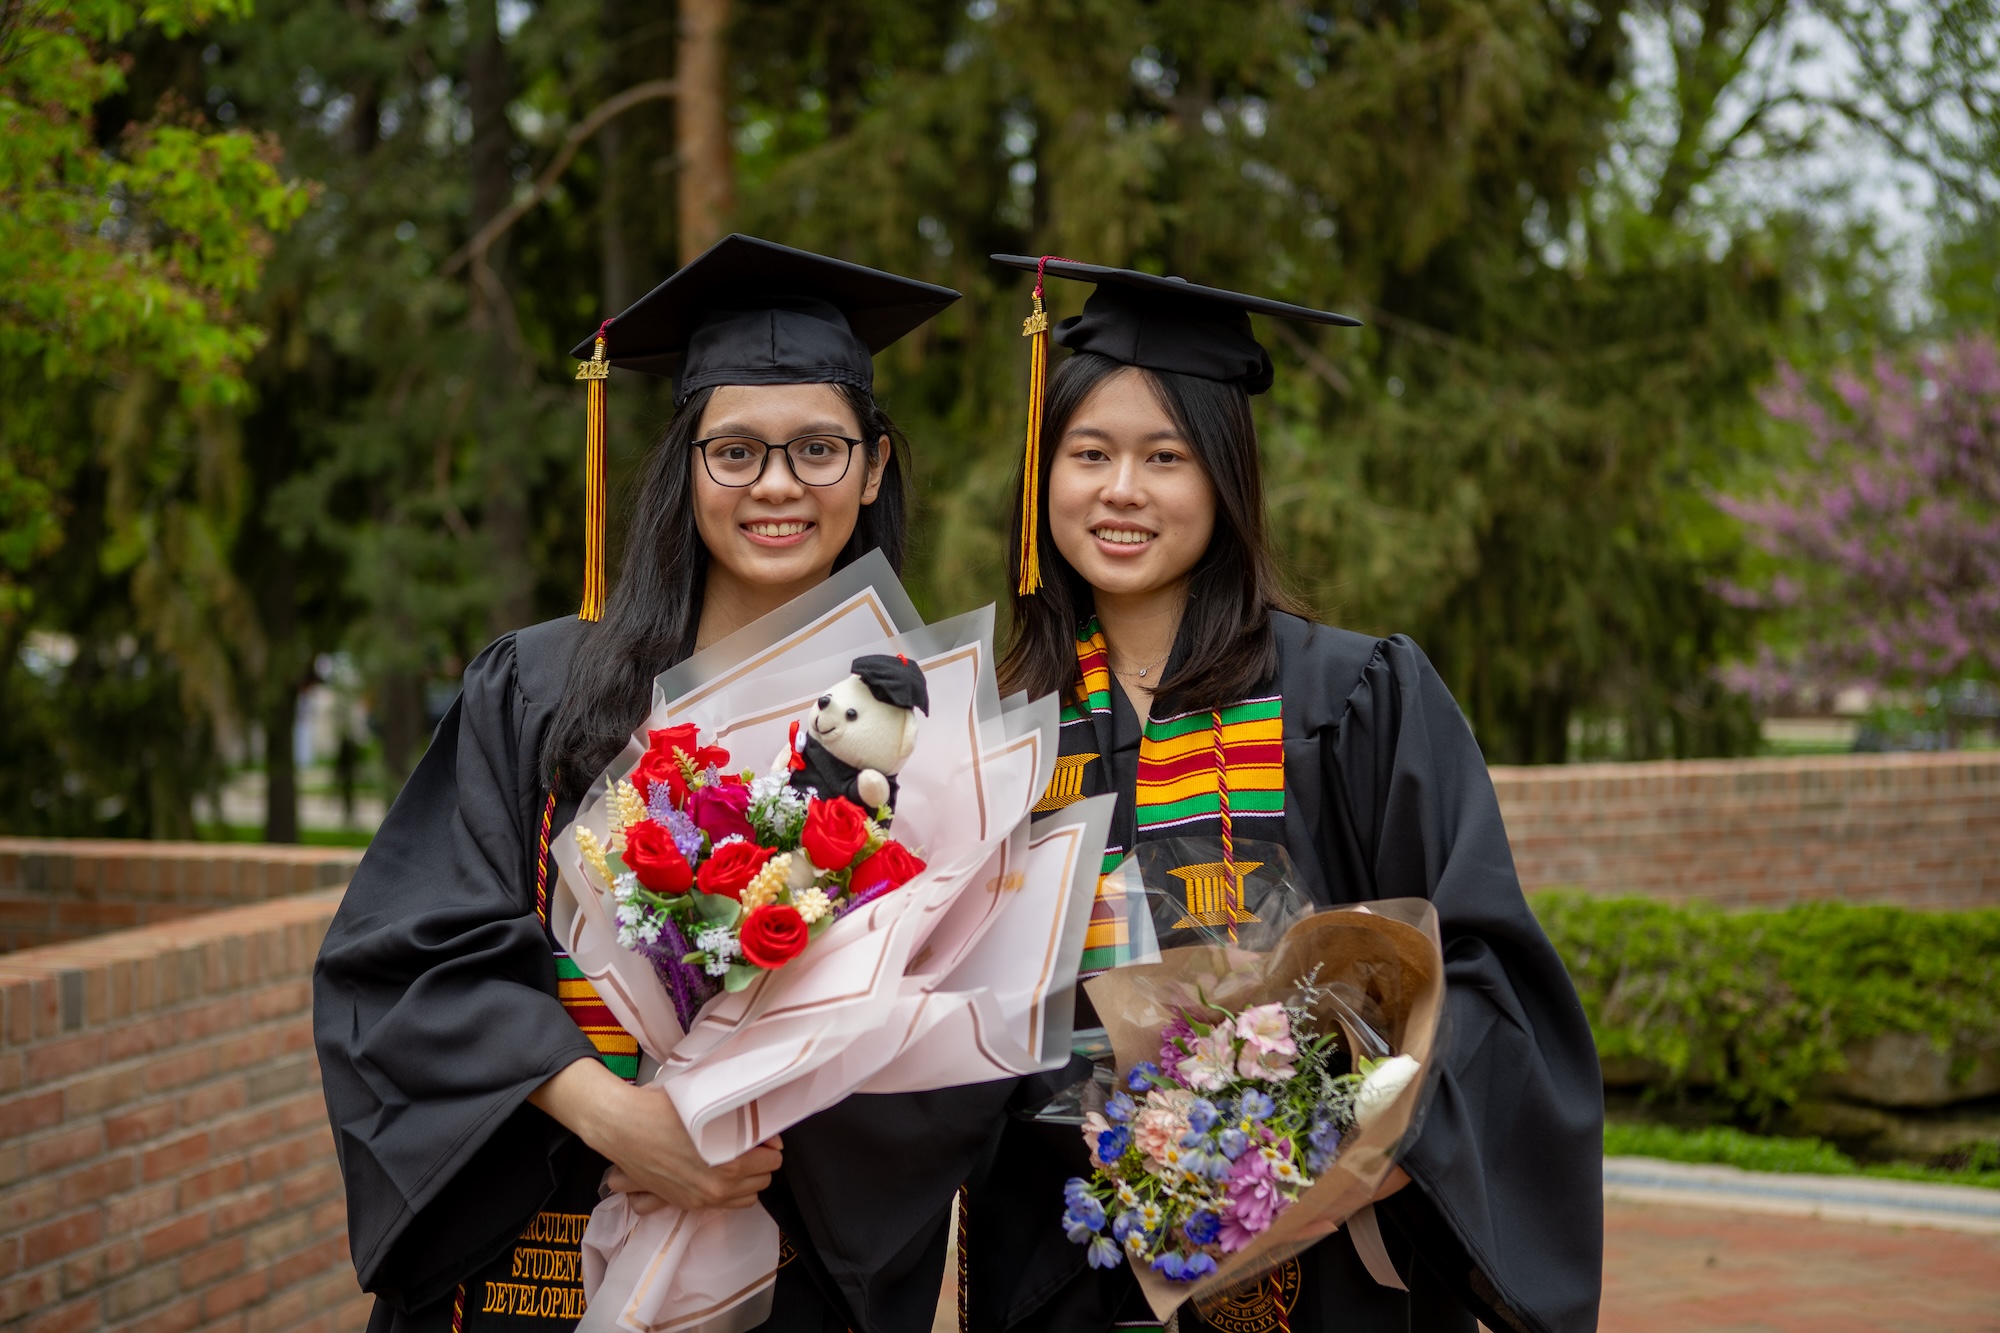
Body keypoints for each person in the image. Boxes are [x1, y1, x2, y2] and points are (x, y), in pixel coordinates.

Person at [315, 235, 1008, 1333]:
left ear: (872, 468)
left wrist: (727, 1126)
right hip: (526, 1228)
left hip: (772, 1254)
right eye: (734, 451)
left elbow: (956, 1061)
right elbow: (411, 946)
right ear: (685, 465)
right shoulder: (544, 684)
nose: (776, 485)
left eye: (818, 449)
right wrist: (613, 1116)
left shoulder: (923, 738)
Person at [965, 258, 1603, 1333]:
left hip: (1323, 1272)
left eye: (1162, 457)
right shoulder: (992, 719)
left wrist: (1366, 1150)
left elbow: (1480, 971)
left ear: (1223, 478)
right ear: (1043, 477)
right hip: (1064, 1256)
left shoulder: (1352, 695)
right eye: (1088, 454)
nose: (1120, 489)